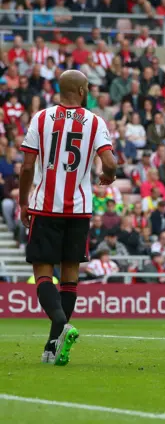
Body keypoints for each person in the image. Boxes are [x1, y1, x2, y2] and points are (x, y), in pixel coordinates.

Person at [18, 70, 117, 366]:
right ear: (83, 90)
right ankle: (52, 345)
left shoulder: (41, 118)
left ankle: (60, 323)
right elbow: (110, 161)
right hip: (78, 208)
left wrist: (23, 202)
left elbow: (26, 167)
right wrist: (107, 176)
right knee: (70, 274)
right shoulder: (95, 121)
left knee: (43, 272)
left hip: (45, 207)